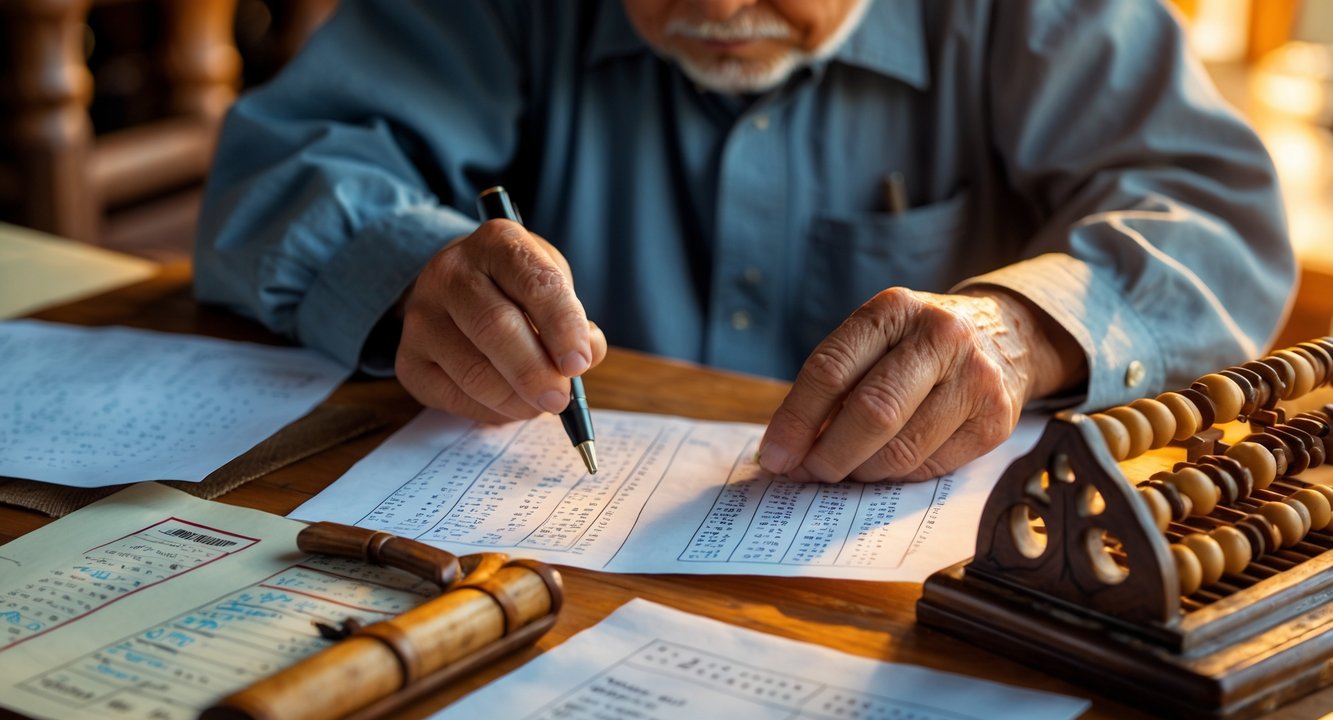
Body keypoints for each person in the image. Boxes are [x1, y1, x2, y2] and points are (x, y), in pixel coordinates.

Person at [194, 0, 1294, 484]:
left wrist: (1021, 330)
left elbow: (1216, 220)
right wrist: (407, 275)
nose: (715, 4)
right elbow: (281, 169)